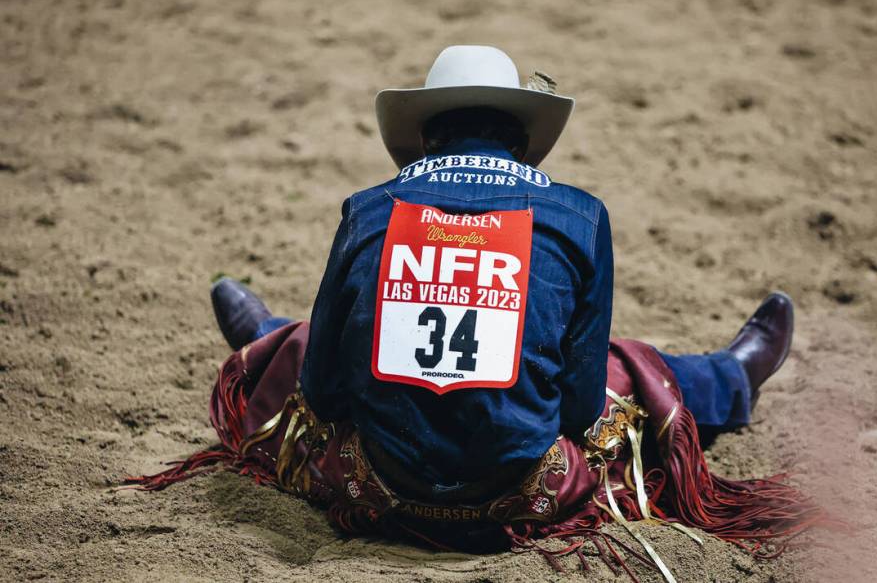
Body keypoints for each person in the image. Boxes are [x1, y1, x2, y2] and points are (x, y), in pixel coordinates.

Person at [134, 46, 820, 577]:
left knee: (330, 341)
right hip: (522, 492)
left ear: (428, 138)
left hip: (375, 488)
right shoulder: (579, 214)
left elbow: (324, 392)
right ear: (520, 138)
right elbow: (580, 410)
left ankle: (266, 339)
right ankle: (730, 378)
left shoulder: (370, 209)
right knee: (622, 364)